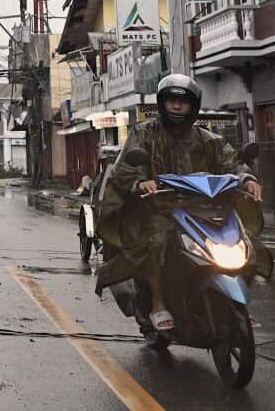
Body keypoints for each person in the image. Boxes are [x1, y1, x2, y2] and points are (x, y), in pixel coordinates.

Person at [94, 74, 264, 332]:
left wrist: (247, 178)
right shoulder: (144, 134)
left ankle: (231, 301)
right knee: (156, 239)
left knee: (243, 241)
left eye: (182, 103)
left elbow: (232, 162)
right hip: (158, 208)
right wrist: (141, 182)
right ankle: (158, 303)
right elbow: (126, 166)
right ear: (162, 103)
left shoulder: (208, 139)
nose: (176, 107)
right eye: (172, 101)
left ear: (192, 106)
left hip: (204, 209)